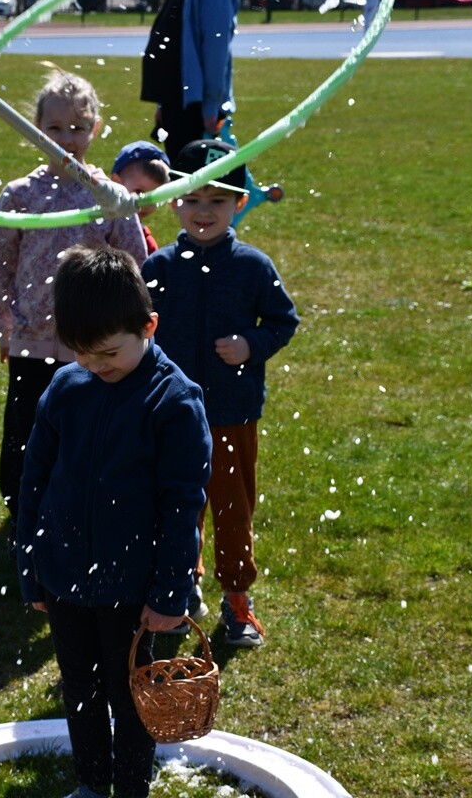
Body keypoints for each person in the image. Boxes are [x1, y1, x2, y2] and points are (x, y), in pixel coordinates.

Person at [16, 245, 210, 798]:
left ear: (148, 325)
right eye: (82, 354)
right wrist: (33, 568)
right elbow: (34, 482)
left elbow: (182, 507)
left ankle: (130, 788)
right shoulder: (65, 389)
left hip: (132, 586)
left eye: (109, 353)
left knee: (130, 693)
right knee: (78, 686)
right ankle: (91, 784)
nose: (97, 366)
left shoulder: (173, 402)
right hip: (65, 577)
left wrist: (171, 591)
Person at [141, 139, 299, 648]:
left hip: (233, 412)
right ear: (173, 202)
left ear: (241, 204)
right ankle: (182, 583)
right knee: (174, 506)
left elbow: (283, 320)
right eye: (192, 200)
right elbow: (137, 330)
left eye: (218, 201)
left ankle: (237, 599)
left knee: (232, 507)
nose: (203, 212)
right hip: (171, 416)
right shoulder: (159, 268)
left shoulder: (253, 267)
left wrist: (251, 344)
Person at [0, 69, 147, 529]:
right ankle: (22, 507)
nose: (67, 138)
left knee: (89, 425)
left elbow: (134, 260)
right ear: (36, 130)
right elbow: (0, 263)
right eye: (55, 128)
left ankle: (83, 502)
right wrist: (4, 322)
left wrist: (127, 328)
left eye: (78, 128)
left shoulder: (106, 195)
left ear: (95, 130)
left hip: (91, 343)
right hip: (32, 337)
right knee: (27, 426)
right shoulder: (20, 194)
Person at [140, 0, 242, 158]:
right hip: (179, 97)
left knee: (192, 173)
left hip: (195, 103)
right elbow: (174, 32)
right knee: (181, 170)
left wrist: (211, 106)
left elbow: (215, 48)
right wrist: (163, 102)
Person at [110, 140, 171, 256]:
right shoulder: (99, 225)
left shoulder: (147, 243)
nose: (146, 203)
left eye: (154, 196)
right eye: (139, 192)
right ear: (116, 182)